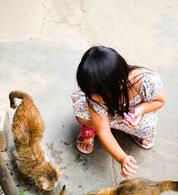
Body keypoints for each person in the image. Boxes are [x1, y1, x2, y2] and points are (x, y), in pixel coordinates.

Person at [71, 46, 166, 178]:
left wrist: (140, 110)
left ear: (120, 85)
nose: (92, 98)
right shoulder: (94, 95)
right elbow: (104, 131)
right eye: (89, 92)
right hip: (107, 116)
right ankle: (90, 127)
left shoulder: (146, 81)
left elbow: (160, 101)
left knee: (147, 125)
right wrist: (122, 158)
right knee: (83, 114)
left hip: (132, 114)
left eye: (97, 94)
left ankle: (135, 130)